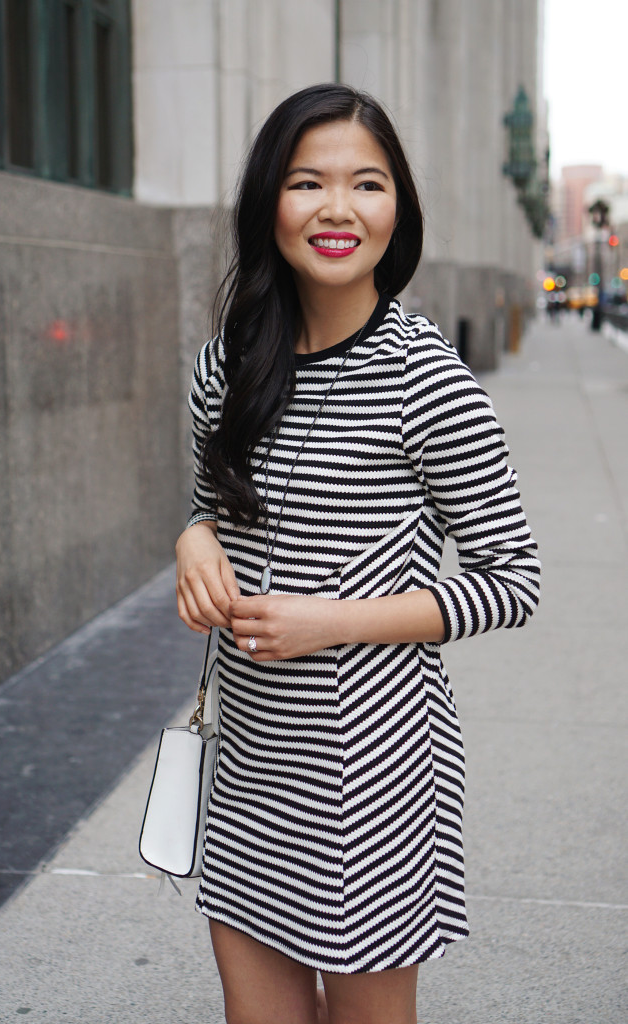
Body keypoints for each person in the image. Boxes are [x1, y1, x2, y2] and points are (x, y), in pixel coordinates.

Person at [175, 83, 540, 1024]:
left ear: (396, 211)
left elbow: (512, 581)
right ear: (269, 203)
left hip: (372, 774)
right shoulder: (227, 365)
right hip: (250, 765)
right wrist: (192, 537)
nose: (337, 208)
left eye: (366, 184)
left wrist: (333, 621)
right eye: (308, 182)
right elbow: (210, 509)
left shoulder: (427, 378)